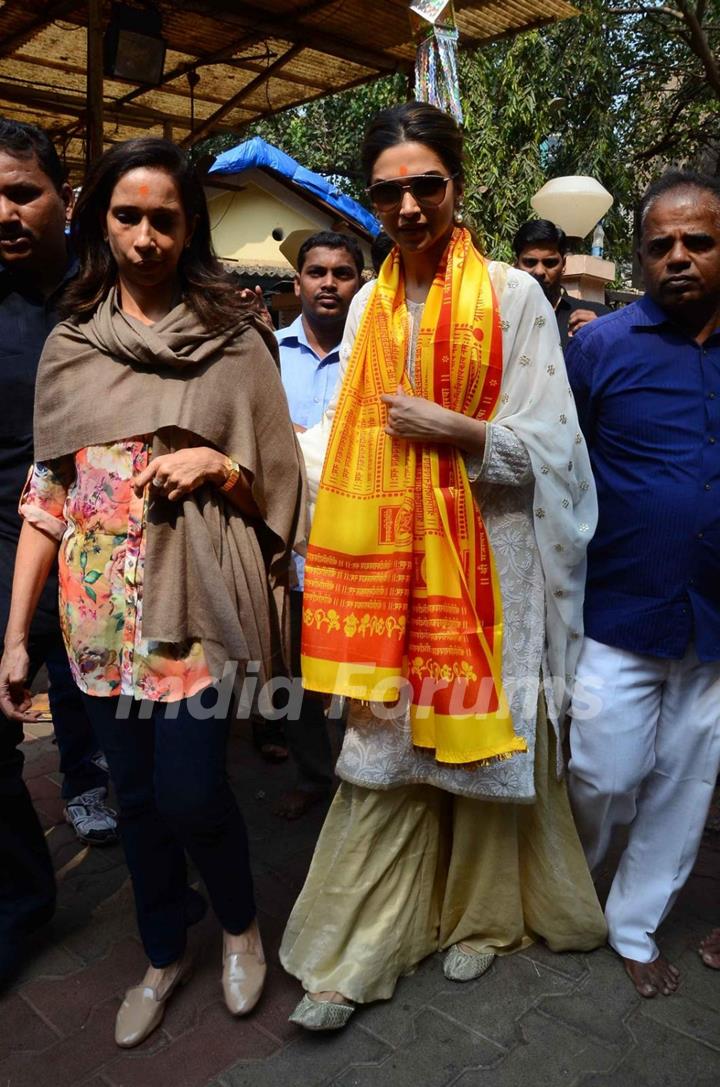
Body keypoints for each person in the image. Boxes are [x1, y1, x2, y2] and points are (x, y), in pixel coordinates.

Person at [279, 101, 606, 1031]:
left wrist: (463, 433)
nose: (410, 204)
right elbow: (341, 439)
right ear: (372, 199)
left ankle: (484, 914)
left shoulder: (511, 294)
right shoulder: (369, 302)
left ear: (457, 186)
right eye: (389, 190)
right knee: (384, 760)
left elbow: (557, 446)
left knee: (478, 754)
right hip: (388, 569)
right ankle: (354, 954)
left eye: (427, 184)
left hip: (491, 564)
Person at [0, 137, 305, 1044]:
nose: (143, 236)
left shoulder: (234, 339)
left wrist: (219, 461)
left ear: (189, 228)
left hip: (194, 613)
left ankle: (242, 926)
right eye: (126, 216)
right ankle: (164, 949)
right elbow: (46, 501)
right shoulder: (72, 341)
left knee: (190, 793)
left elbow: (275, 487)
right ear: (100, 220)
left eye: (163, 219)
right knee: (134, 803)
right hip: (94, 624)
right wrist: (17, 634)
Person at [566, 170, 720, 1000]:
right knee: (604, 771)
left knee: (686, 781)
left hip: (715, 620)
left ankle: (634, 923)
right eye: (660, 244)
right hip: (618, 606)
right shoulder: (600, 348)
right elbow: (560, 463)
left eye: (698, 241)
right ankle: (574, 892)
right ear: (638, 256)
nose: (679, 258)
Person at [0, 121, 118, 986]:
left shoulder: (108, 294)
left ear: (64, 199)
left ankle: (95, 783)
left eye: (20, 192)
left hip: (91, 535)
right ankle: (21, 899)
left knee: (113, 715)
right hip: (7, 534)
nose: (3, 213)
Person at [274, 230, 363, 819]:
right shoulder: (265, 352)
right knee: (295, 671)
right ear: (298, 281)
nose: (329, 283)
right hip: (286, 547)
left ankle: (364, 780)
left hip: (358, 544)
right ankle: (313, 774)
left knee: (362, 668)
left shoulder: (375, 355)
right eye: (317, 272)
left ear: (360, 283)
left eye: (343, 273)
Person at [512, 219, 609, 348]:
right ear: (516, 265)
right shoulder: (500, 316)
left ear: (564, 264)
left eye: (550, 263)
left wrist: (603, 336)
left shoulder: (597, 317)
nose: (539, 271)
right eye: (530, 262)